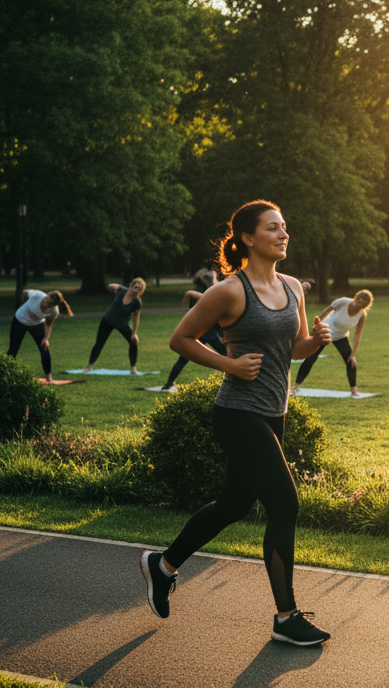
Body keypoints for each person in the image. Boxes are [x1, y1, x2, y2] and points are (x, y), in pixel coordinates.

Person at [138, 199, 333, 647]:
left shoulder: (293, 287)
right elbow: (179, 339)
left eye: (285, 227)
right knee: (285, 504)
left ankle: (162, 565)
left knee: (232, 507)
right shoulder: (229, 290)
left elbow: (295, 348)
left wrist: (317, 342)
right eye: (273, 228)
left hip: (272, 412)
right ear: (248, 237)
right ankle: (286, 617)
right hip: (237, 414)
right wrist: (229, 365)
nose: (283, 234)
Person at [292, 289, 373, 396]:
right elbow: (328, 309)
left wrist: (353, 354)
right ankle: (296, 386)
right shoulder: (344, 302)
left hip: (341, 336)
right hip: (325, 332)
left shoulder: (362, 315)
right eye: (358, 302)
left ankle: (354, 390)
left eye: (362, 305)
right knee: (311, 358)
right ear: (356, 298)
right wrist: (317, 325)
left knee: (351, 362)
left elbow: (357, 335)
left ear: (365, 306)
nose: (358, 306)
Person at [160, 272, 228, 391]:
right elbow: (212, 310)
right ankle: (168, 384)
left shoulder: (200, 293)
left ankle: (168, 383)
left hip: (198, 334)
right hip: (208, 333)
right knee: (228, 358)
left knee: (183, 359)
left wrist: (190, 293)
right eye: (215, 278)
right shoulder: (211, 294)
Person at [8, 289, 73, 384]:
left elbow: (49, 325)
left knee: (45, 348)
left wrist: (46, 339)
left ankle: (49, 378)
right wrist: (24, 300)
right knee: (13, 348)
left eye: (48, 303)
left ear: (52, 305)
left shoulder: (53, 311)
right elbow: (25, 292)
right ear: (47, 296)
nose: (45, 302)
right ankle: (6, 373)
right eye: (46, 299)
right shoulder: (37, 295)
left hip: (36, 324)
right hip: (20, 320)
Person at [84, 278, 145, 374]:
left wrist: (134, 333)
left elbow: (136, 318)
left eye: (139, 288)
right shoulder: (122, 291)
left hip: (122, 324)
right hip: (108, 320)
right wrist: (121, 287)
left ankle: (133, 368)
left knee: (134, 342)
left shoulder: (137, 302)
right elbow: (110, 286)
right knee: (99, 343)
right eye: (135, 286)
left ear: (140, 291)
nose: (137, 288)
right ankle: (89, 366)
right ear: (131, 285)